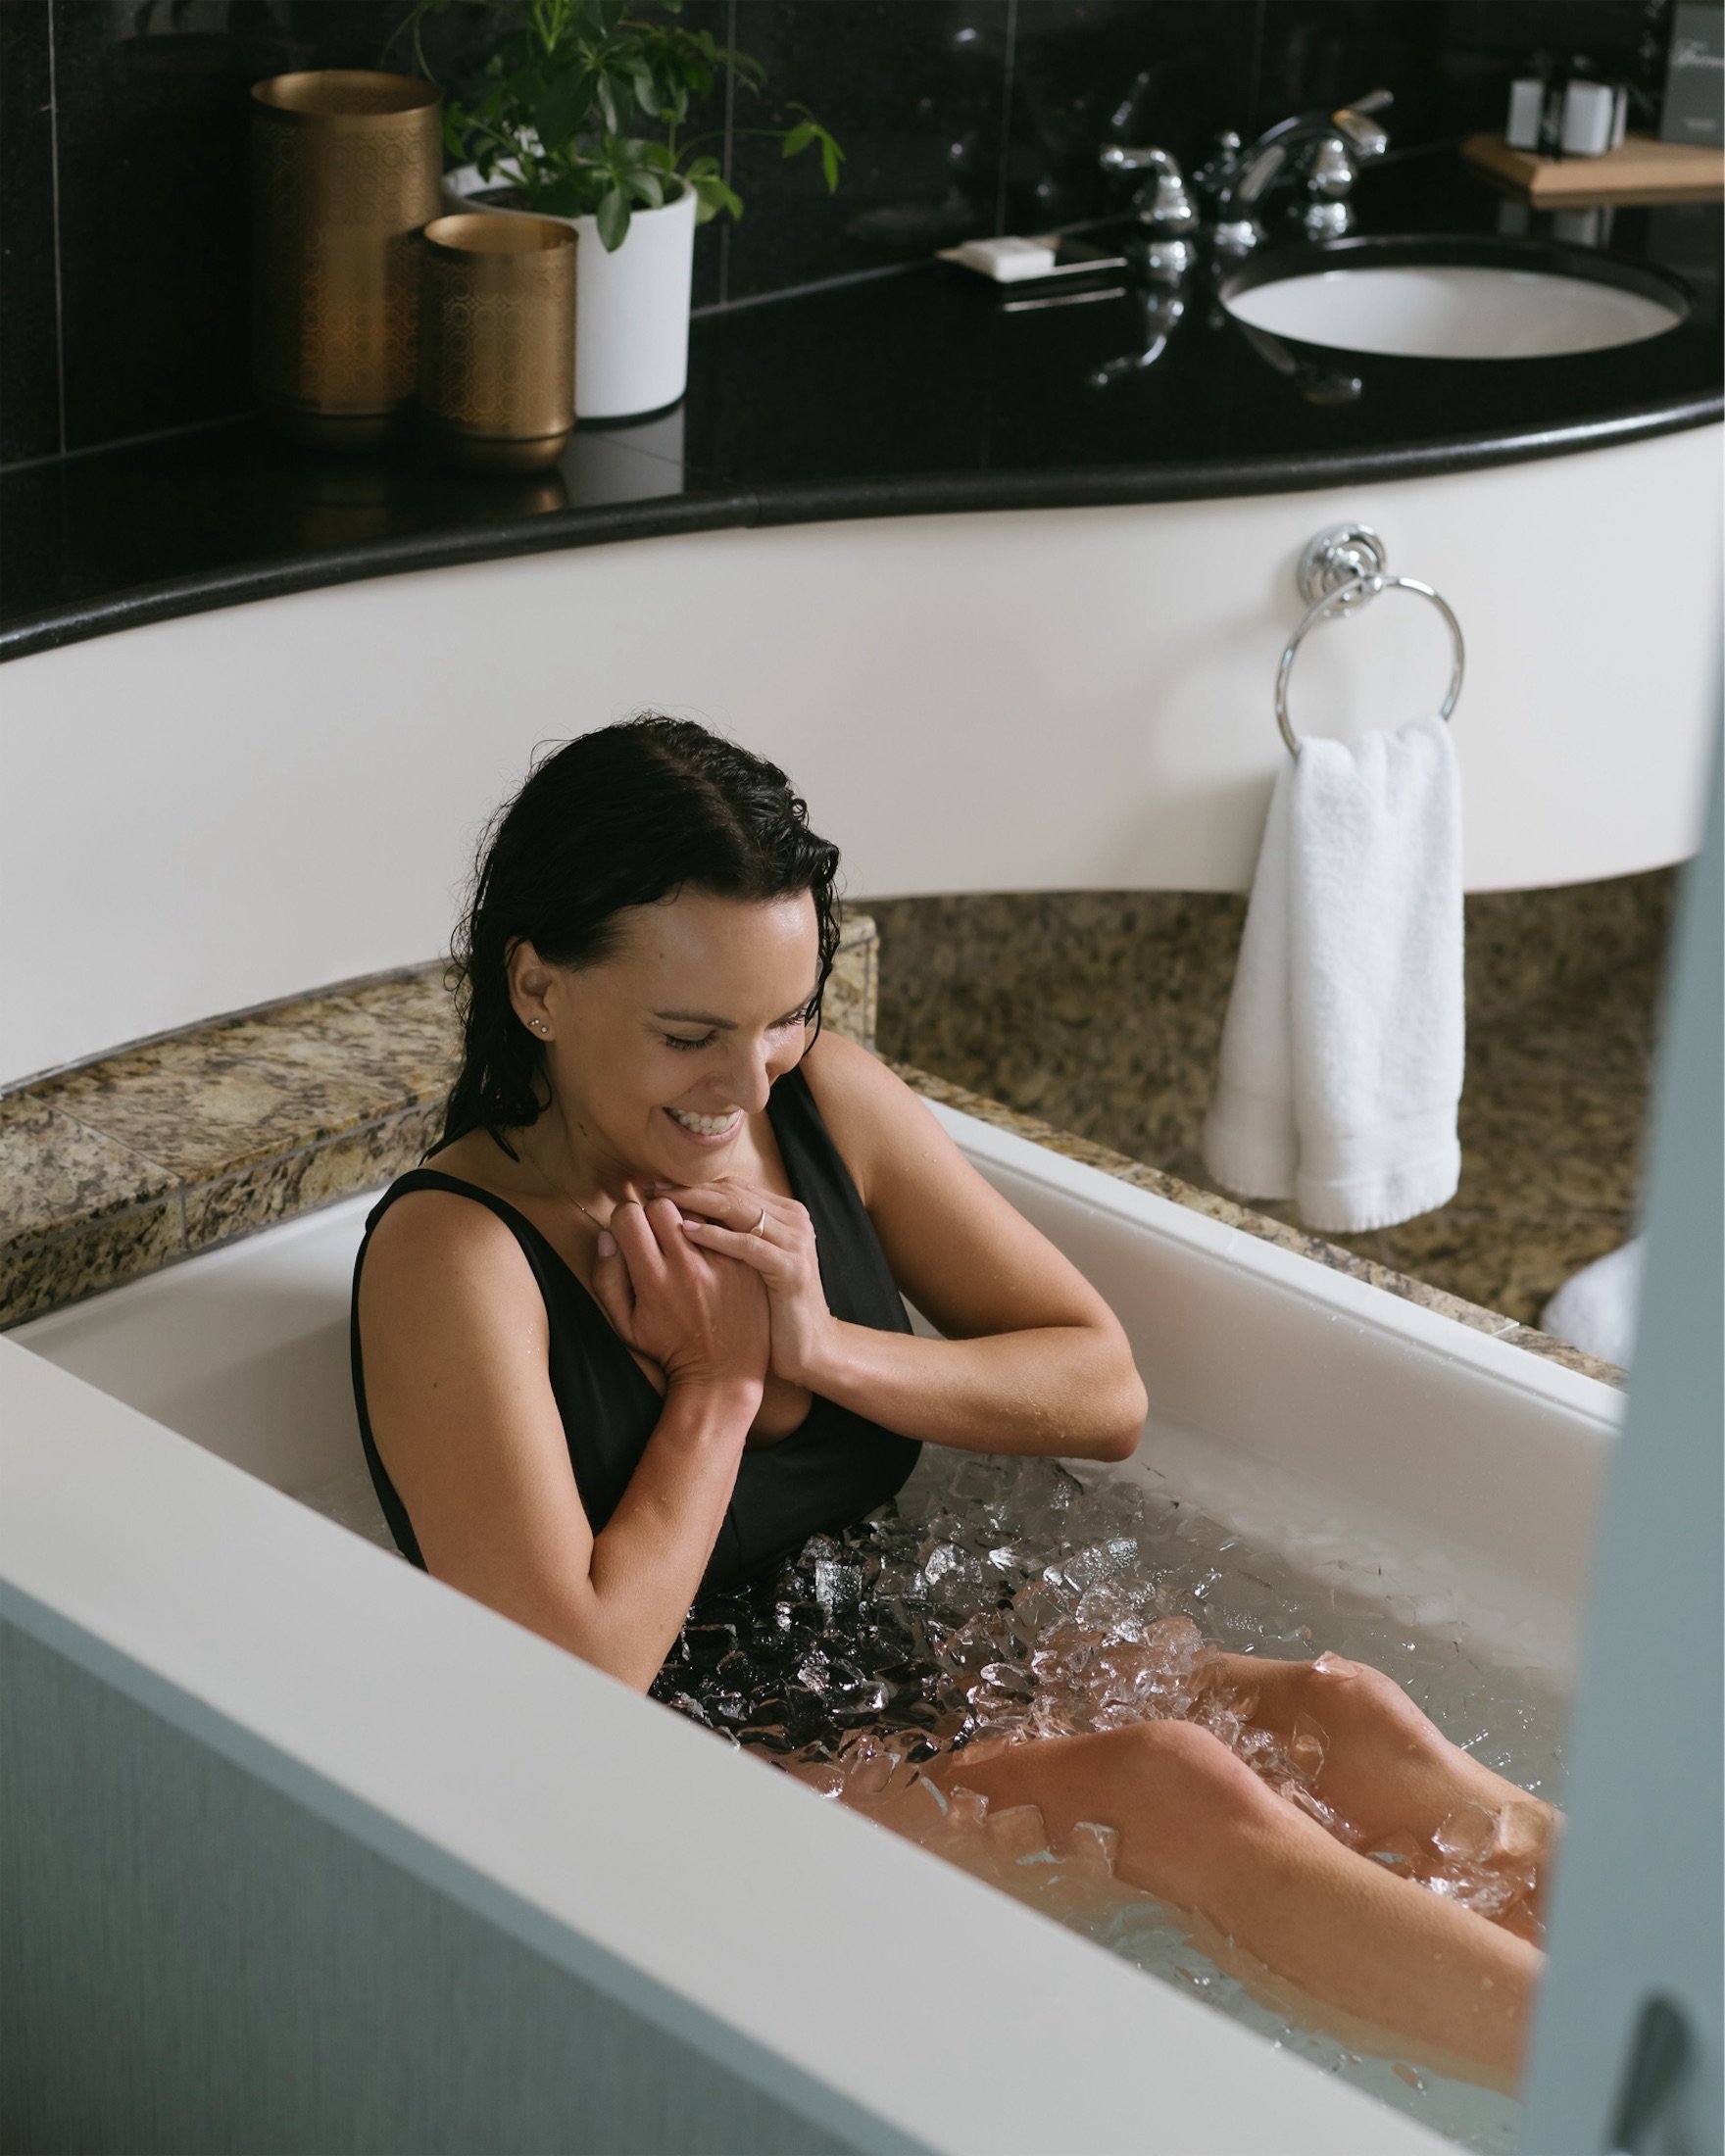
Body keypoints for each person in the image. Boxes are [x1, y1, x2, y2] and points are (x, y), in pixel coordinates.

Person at [352, 714, 1555, 2089]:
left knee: (1352, 1719)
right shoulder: (456, 1256)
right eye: (690, 1035)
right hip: (686, 1791)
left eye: (781, 1019)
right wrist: (717, 1387)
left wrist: (817, 1345)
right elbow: (567, 1688)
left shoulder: (821, 1102)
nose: (744, 1085)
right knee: (1172, 1789)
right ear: (538, 987)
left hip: (901, 1659)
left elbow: (1102, 1389)